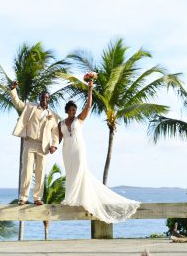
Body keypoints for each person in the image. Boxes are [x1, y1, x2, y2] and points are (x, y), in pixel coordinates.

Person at [58, 72, 140, 223]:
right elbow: (58, 138)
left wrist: (90, 87)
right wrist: (51, 146)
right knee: (70, 173)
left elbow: (89, 105)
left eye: (74, 110)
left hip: (78, 148)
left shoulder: (79, 119)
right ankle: (71, 198)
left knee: (80, 171)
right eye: (70, 110)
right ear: (66, 110)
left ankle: (80, 199)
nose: (72, 112)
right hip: (66, 150)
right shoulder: (61, 123)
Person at [10, 81, 59, 205]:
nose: (44, 99)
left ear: (49, 99)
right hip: (29, 143)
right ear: (39, 98)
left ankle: (38, 198)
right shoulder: (30, 107)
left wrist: (54, 145)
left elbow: (55, 132)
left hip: (44, 146)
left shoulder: (53, 115)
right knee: (26, 170)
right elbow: (18, 103)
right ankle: (23, 197)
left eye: (46, 97)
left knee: (40, 172)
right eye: (42, 97)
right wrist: (13, 90)